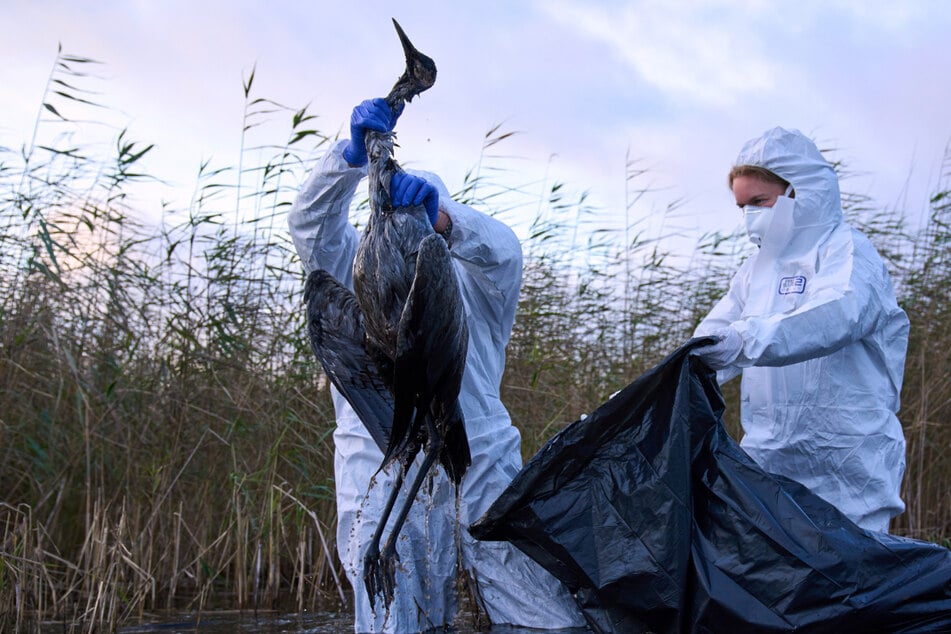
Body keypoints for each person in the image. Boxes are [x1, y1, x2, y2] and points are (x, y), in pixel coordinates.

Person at [287, 98, 585, 633]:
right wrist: (351, 158)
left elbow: (505, 252)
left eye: (422, 219)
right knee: (391, 622)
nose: (406, 230)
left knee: (545, 620)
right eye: (395, 217)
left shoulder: (473, 283)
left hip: (481, 472)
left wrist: (444, 221)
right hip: (381, 474)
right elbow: (311, 225)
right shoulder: (353, 272)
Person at [692, 127, 909, 533]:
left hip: (848, 470)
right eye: (742, 207)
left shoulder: (848, 253)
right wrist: (656, 385)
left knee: (854, 589)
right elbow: (710, 342)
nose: (750, 217)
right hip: (770, 465)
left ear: (800, 191)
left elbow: (836, 316)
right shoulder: (755, 273)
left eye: (759, 202)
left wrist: (746, 340)